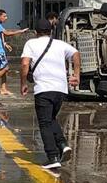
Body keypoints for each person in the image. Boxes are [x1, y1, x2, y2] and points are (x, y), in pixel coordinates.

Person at [20, 18, 81, 170]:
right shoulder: (60, 44)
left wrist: (23, 83)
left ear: (36, 32)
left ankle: (52, 156)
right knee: (51, 119)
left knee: (45, 123)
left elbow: (25, 63)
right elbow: (76, 54)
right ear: (51, 31)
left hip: (44, 89)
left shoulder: (31, 43)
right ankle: (63, 144)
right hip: (61, 89)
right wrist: (77, 75)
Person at [0, 10, 28, 95]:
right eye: (4, 16)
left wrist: (5, 44)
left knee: (3, 69)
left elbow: (0, 36)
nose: (6, 18)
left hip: (0, 49)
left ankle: (3, 89)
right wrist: (20, 31)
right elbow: (7, 33)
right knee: (5, 68)